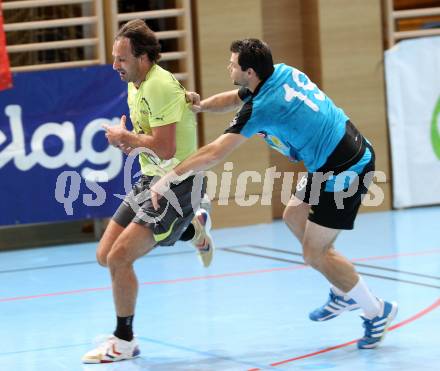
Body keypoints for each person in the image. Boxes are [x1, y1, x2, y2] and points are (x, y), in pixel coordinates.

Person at [151, 38, 398, 349]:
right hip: (332, 157)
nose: (228, 67)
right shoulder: (278, 72)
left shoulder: (264, 107)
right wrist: (201, 106)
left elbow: (214, 153)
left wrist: (168, 179)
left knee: (315, 254)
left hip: (347, 169)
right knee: (293, 216)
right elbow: (236, 97)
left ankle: (376, 310)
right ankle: (342, 287)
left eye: (233, 64)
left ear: (250, 71)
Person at [81, 19, 214, 363]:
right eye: (114, 57)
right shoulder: (135, 84)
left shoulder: (159, 86)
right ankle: (192, 228)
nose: (115, 66)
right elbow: (150, 142)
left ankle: (124, 341)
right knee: (103, 255)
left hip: (177, 185)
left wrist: (128, 139)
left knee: (119, 258)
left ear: (143, 58)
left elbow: (167, 148)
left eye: (121, 59)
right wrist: (132, 143)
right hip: (149, 180)